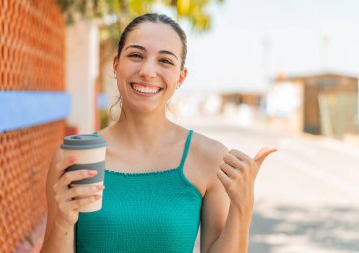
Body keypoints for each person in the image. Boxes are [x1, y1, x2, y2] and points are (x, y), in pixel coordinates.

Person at [40, 13, 276, 253]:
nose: (147, 71)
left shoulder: (209, 157)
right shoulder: (74, 158)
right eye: (135, 55)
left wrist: (242, 207)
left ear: (180, 77)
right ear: (116, 64)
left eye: (165, 61)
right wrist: (62, 222)